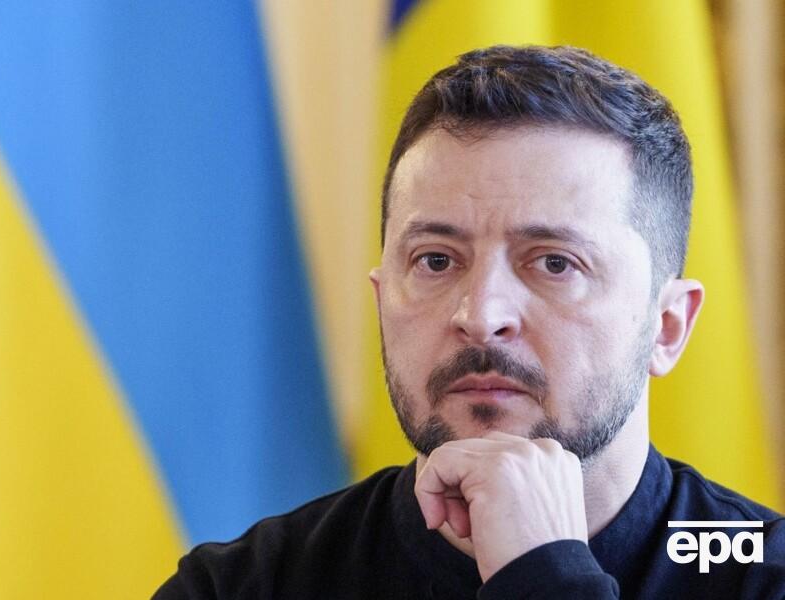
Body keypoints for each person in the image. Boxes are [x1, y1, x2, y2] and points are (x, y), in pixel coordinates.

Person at [153, 45, 784, 599]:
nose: (480, 316)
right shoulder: (243, 587)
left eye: (555, 263)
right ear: (382, 300)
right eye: (435, 260)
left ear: (667, 326)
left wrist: (545, 577)